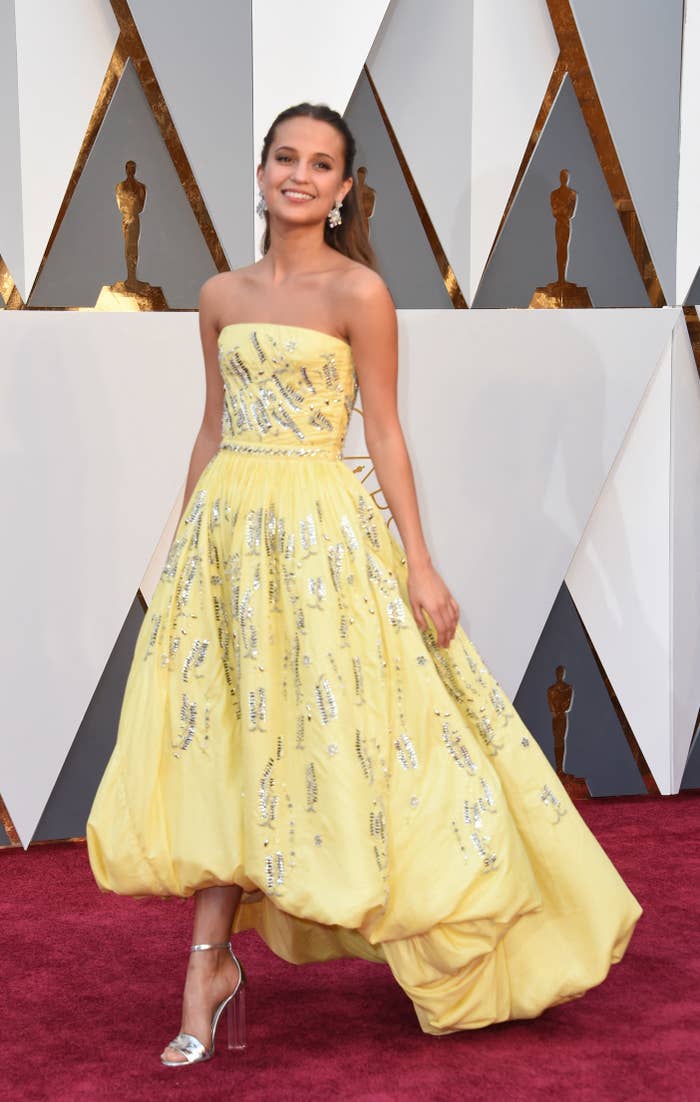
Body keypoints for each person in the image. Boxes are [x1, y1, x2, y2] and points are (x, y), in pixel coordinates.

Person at [87, 102, 643, 1067]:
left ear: (344, 192)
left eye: (322, 165)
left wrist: (420, 565)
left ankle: (471, 925)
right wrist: (184, 546)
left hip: (320, 538)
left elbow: (383, 432)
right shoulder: (219, 294)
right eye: (286, 158)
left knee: (373, 740)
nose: (300, 175)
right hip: (228, 538)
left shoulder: (360, 294)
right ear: (262, 173)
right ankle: (206, 972)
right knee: (228, 742)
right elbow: (212, 424)